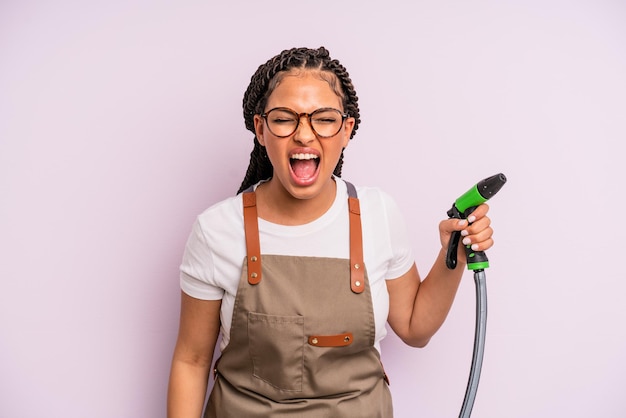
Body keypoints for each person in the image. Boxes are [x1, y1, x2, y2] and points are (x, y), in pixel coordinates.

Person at [167, 46, 494, 418]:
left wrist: (455, 253)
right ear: (260, 129)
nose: (304, 135)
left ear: (346, 130)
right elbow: (191, 361)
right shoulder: (216, 230)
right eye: (284, 118)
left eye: (323, 119)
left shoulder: (378, 214)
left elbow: (415, 329)